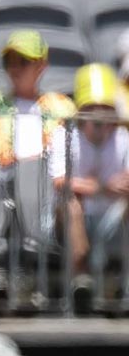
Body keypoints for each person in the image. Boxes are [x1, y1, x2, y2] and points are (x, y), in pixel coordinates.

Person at [47, 63, 129, 302]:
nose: (99, 115)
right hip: (74, 220)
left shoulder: (124, 138)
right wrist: (103, 187)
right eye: (92, 108)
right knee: (71, 203)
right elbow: (60, 181)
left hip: (113, 217)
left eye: (104, 108)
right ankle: (80, 278)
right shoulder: (64, 135)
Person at [0, 30, 76, 168]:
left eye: (23, 62)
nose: (14, 68)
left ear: (41, 66)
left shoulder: (62, 107)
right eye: (8, 61)